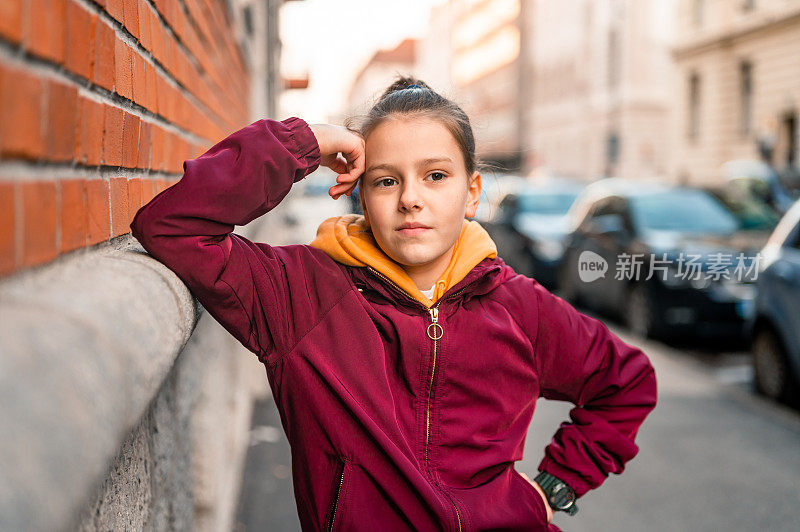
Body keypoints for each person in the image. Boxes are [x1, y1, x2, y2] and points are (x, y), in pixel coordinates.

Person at [130, 76, 658, 531]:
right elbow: (174, 227)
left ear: (471, 192)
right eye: (386, 180)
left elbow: (627, 381)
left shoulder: (518, 306)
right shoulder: (299, 295)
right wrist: (306, 140)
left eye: (435, 175)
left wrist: (555, 486)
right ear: (360, 192)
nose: (410, 197)